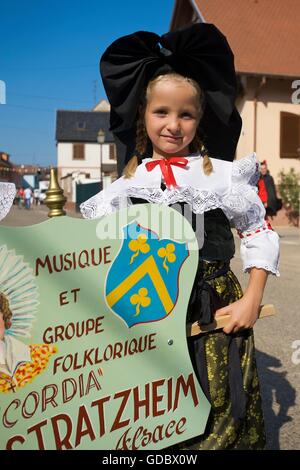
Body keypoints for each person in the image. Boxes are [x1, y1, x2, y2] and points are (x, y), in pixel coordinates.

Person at [80, 24, 280, 450]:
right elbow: (91, 254)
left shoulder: (223, 176)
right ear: (143, 115)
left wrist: (251, 297)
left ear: (199, 118)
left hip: (215, 306)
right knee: (160, 413)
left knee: (218, 407)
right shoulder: (125, 186)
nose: (174, 125)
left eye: (186, 114)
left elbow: (257, 230)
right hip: (148, 311)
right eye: (162, 113)